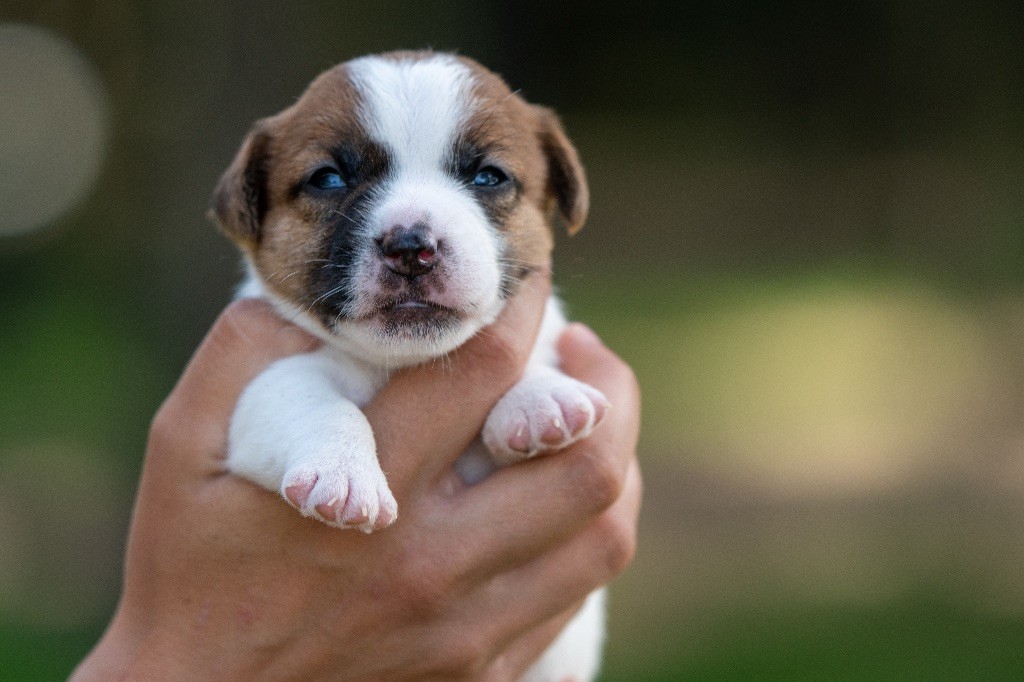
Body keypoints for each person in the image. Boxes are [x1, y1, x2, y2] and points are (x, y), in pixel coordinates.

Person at [71, 275, 642, 680]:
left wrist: (528, 394)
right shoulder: (283, 339)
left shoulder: (527, 323)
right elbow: (271, 412)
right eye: (329, 179)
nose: (411, 241)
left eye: (486, 176)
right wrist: (331, 439)